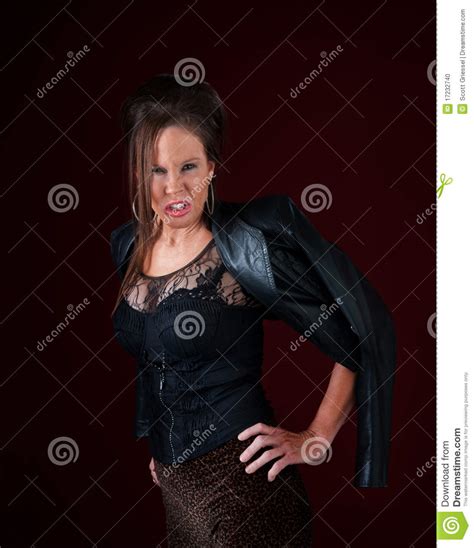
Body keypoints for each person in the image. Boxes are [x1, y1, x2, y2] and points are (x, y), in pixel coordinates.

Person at [110, 74, 365, 547]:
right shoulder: (127, 246)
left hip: (246, 490)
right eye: (156, 169)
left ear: (211, 166)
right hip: (179, 496)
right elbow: (154, 355)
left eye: (188, 166)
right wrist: (165, 441)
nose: (174, 187)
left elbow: (354, 337)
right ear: (138, 172)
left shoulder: (243, 250)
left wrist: (316, 436)